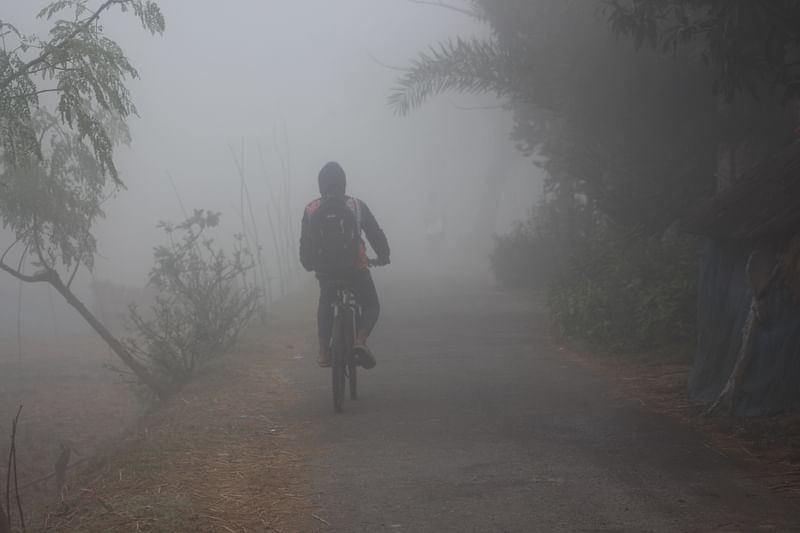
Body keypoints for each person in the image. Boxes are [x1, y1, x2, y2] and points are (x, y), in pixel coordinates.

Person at [299, 162, 390, 368]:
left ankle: (323, 352)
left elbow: (305, 244)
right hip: (355, 267)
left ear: (320, 185)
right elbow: (375, 234)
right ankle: (360, 341)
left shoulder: (311, 209)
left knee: (325, 302)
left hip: (326, 272)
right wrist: (383, 256)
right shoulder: (356, 206)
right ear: (344, 183)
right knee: (371, 305)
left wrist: (310, 264)